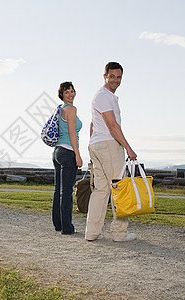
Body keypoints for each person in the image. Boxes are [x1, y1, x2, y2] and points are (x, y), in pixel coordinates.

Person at [84, 62, 137, 242]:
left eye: (119, 77)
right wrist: (128, 147)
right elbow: (112, 126)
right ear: (105, 75)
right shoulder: (104, 96)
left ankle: (92, 232)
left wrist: (93, 146)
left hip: (98, 145)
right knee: (119, 189)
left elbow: (93, 124)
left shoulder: (103, 96)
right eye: (112, 76)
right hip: (108, 145)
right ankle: (120, 233)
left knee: (101, 190)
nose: (115, 80)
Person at [52, 81, 83, 235]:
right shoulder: (71, 109)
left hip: (57, 152)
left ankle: (58, 224)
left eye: (72, 91)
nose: (71, 94)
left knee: (58, 190)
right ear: (62, 95)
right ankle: (67, 228)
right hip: (68, 151)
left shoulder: (60, 109)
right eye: (67, 92)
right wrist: (78, 155)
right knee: (66, 192)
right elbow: (72, 133)